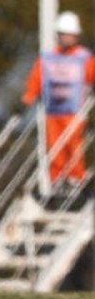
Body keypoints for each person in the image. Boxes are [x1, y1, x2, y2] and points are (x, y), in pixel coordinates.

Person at [21, 11, 95, 189]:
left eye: (69, 34)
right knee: (54, 147)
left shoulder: (84, 58)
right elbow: (36, 79)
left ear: (76, 36)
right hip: (52, 112)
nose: (66, 38)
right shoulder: (48, 57)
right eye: (63, 34)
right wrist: (28, 96)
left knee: (73, 146)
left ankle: (76, 179)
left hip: (74, 111)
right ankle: (57, 181)